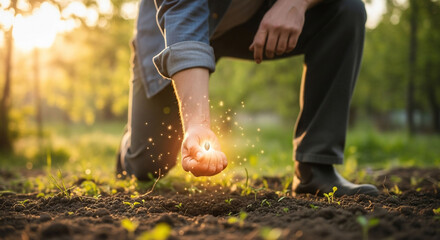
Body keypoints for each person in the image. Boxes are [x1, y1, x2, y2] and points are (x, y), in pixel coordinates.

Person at [117, 0, 379, 196]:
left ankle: (316, 168)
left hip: (256, 17)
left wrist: (296, 3)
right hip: (174, 29)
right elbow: (183, 18)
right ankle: (129, 150)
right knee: (149, 164)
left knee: (346, 9)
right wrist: (197, 124)